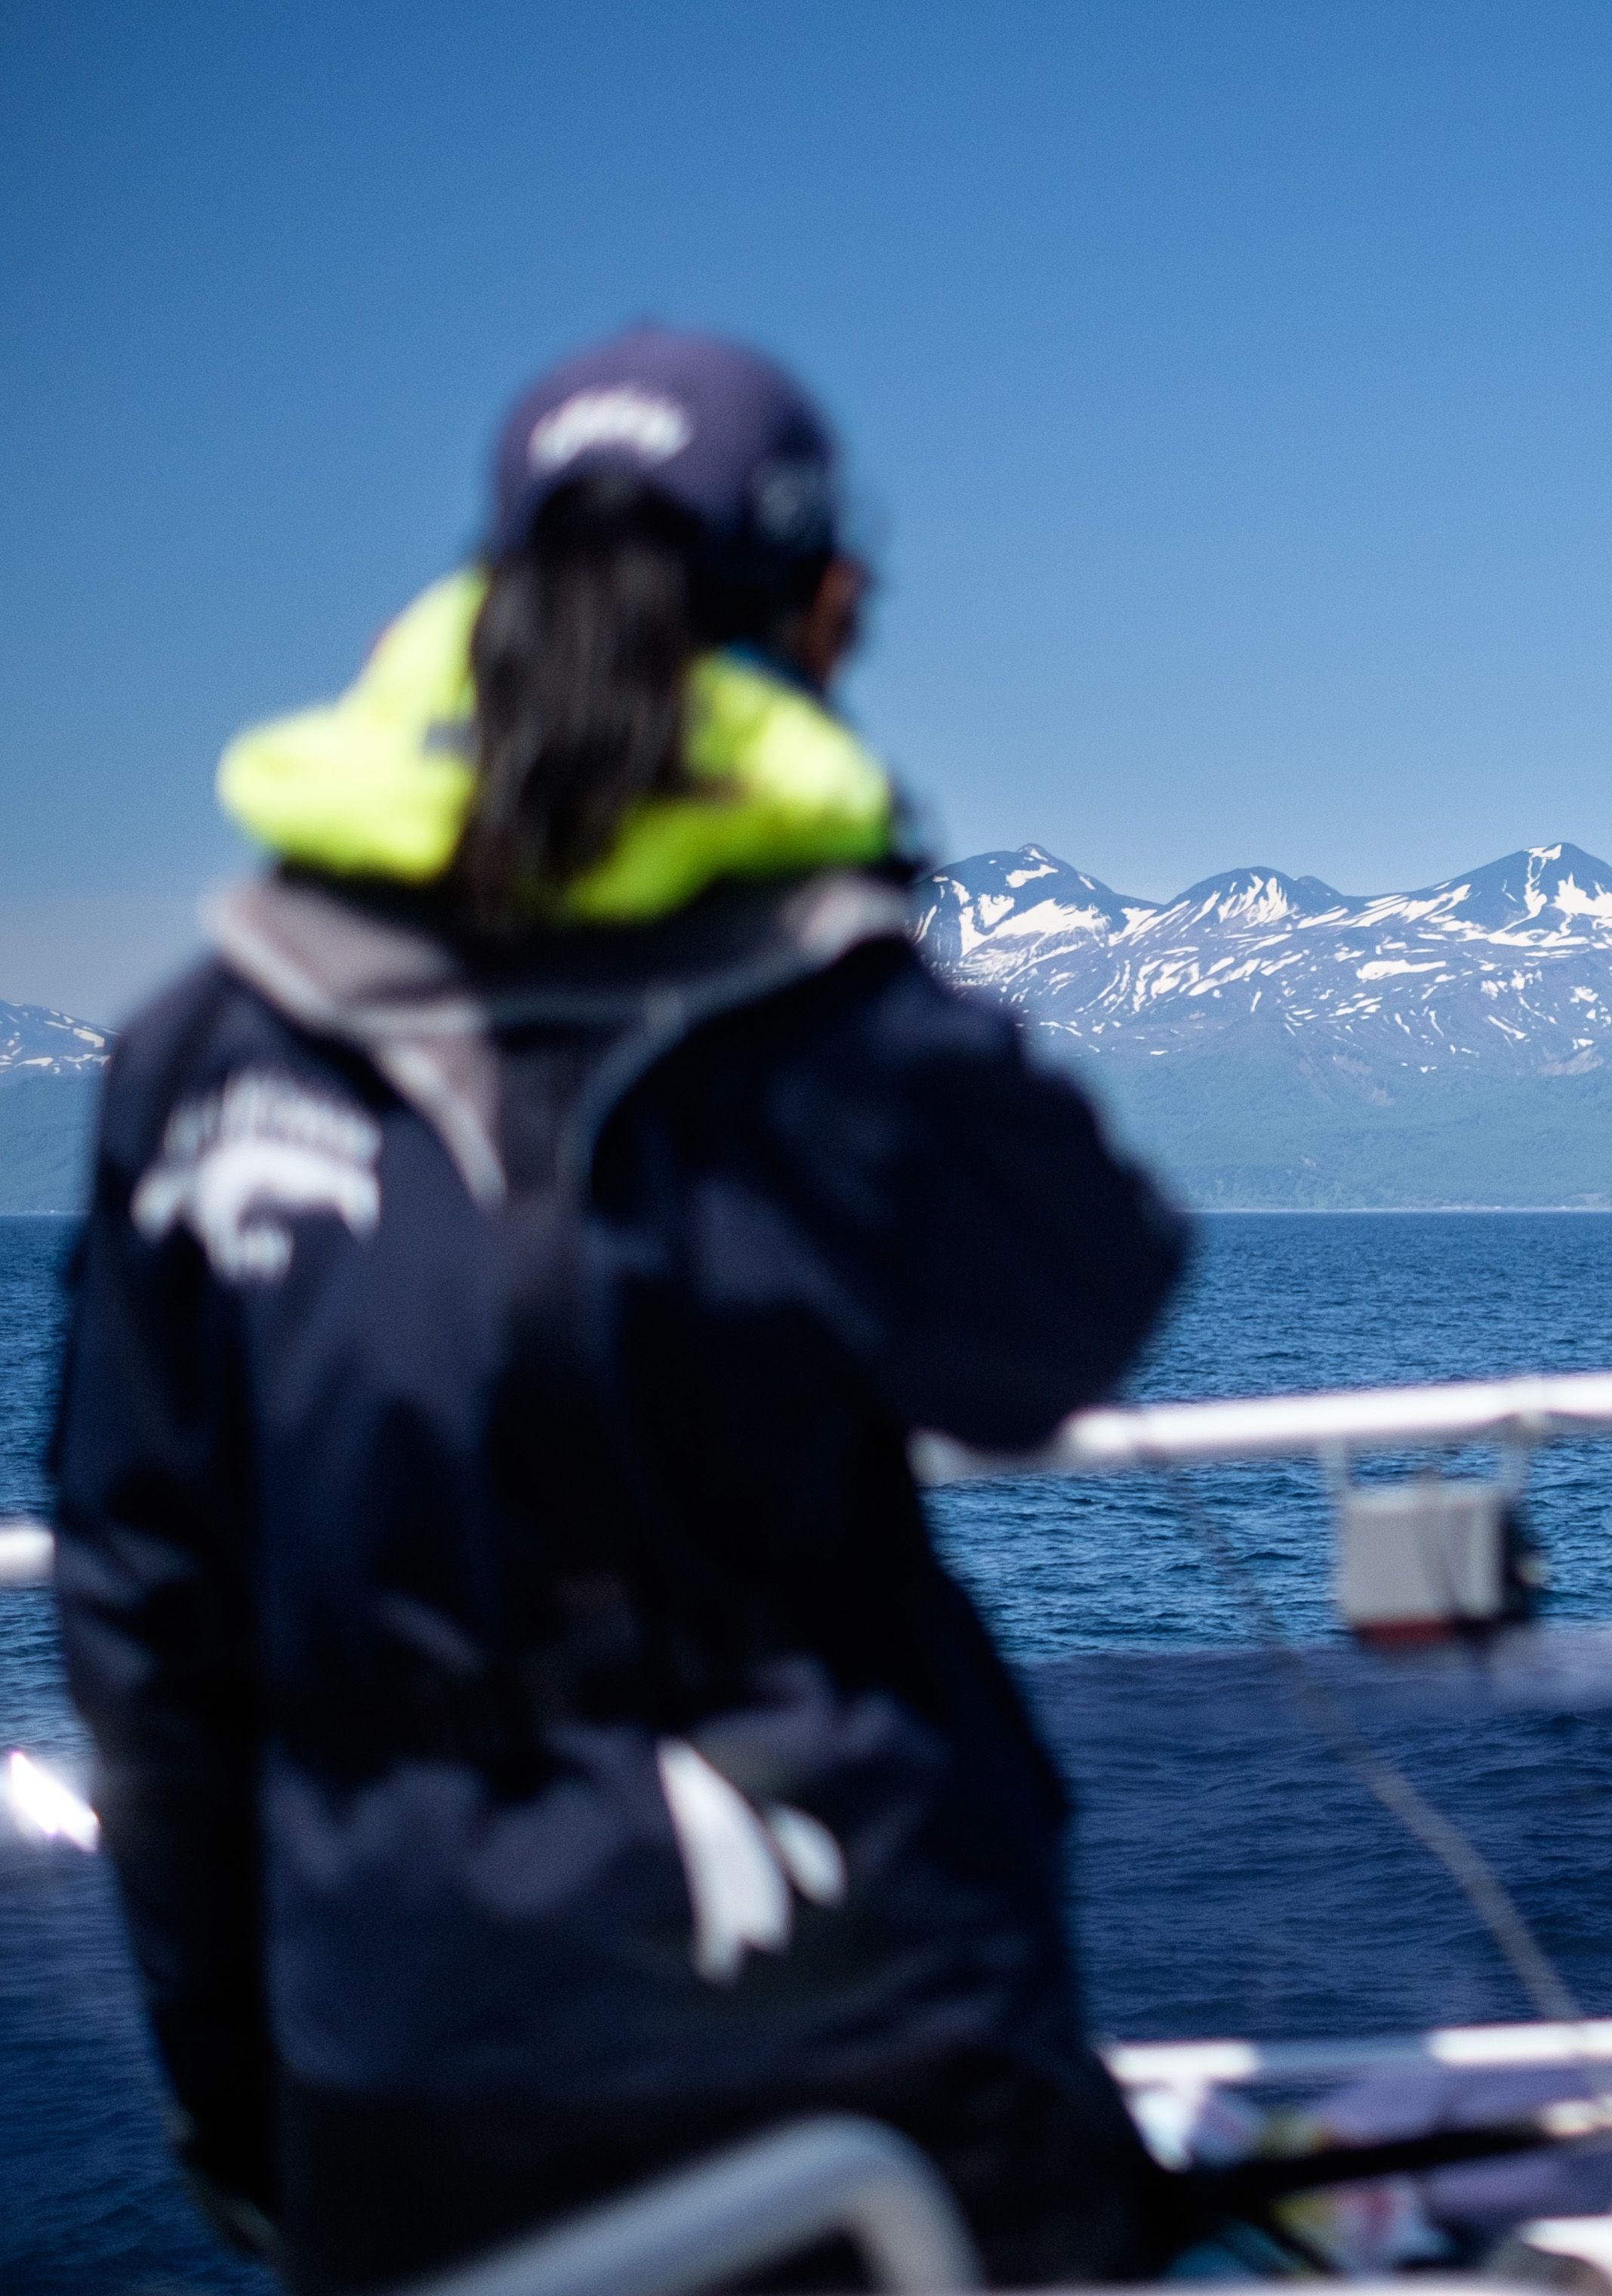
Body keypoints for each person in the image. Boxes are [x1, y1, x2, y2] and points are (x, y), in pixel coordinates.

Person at [53, 328, 1195, 2290]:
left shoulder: (198, 1052)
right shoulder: (835, 1034)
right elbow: (1068, 1325)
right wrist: (846, 901)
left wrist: (254, 2097)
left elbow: (143, 1625)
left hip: (401, 2054)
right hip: (856, 2009)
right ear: (822, 611)